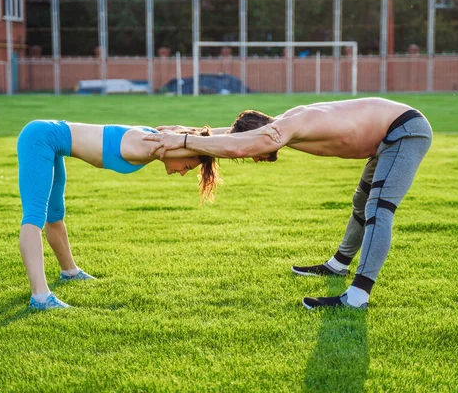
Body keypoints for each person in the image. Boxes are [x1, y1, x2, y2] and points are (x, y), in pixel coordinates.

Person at [145, 98, 433, 310]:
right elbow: (235, 137)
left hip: (403, 133)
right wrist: (188, 131)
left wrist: (181, 139)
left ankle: (357, 297)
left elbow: (237, 146)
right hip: (388, 136)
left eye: (257, 151)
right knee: (362, 201)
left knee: (378, 208)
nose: (256, 157)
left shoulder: (287, 126)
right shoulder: (280, 123)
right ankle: (337, 265)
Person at [17, 120, 221, 310]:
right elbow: (200, 144)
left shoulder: (162, 136)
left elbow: (202, 138)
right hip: (40, 139)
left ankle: (70, 272)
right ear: (177, 150)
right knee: (35, 216)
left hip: (51, 140)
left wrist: (246, 133)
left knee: (55, 213)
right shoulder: (147, 146)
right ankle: (40, 297)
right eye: (186, 166)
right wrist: (241, 146)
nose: (183, 172)